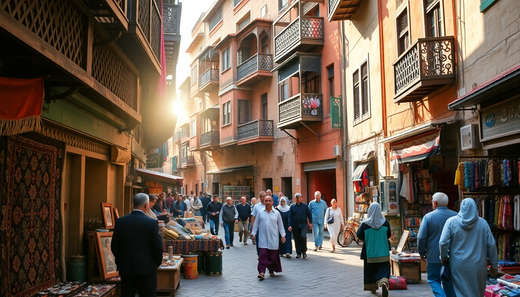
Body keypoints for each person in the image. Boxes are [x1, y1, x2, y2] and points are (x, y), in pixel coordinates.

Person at [439, 198, 498, 297]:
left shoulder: (451, 222)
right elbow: (491, 245)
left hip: (458, 264)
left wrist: (443, 257)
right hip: (479, 264)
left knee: (461, 291)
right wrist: (494, 265)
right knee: (477, 292)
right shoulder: (483, 223)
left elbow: (442, 242)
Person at [111, 193, 163, 297]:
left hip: (126, 267)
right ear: (146, 205)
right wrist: (157, 263)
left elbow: (114, 245)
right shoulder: (151, 223)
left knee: (127, 294)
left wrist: (121, 261)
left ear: (133, 204)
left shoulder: (121, 221)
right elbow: (158, 246)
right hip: (147, 268)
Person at [417, 192, 457, 297]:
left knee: (433, 280)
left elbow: (421, 237)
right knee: (448, 280)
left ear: (434, 203)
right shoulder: (456, 216)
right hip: (453, 256)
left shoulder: (428, 217)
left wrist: (421, 251)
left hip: (434, 255)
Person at [357, 202, 391, 297]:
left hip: (370, 253)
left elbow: (359, 235)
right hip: (383, 252)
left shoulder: (365, 224)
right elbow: (389, 235)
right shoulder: (385, 223)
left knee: (370, 271)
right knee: (383, 269)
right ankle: (383, 282)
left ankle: (372, 287)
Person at [251, 195, 286, 280]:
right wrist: (253, 234)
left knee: (272, 256)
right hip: (262, 238)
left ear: (272, 202)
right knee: (262, 255)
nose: (268, 202)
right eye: (266, 201)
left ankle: (271, 269)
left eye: (269, 201)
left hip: (273, 238)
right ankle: (262, 272)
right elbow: (256, 224)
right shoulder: (260, 213)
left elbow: (280, 226)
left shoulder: (277, 213)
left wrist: (283, 235)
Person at [288, 193, 312, 259]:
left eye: (301, 197)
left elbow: (309, 214)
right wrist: (289, 225)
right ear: (296, 199)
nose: (300, 198)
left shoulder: (305, 206)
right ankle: (298, 253)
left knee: (303, 236)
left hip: (303, 224)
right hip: (295, 225)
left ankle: (304, 252)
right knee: (297, 239)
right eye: (299, 197)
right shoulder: (292, 207)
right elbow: (290, 217)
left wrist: (310, 223)